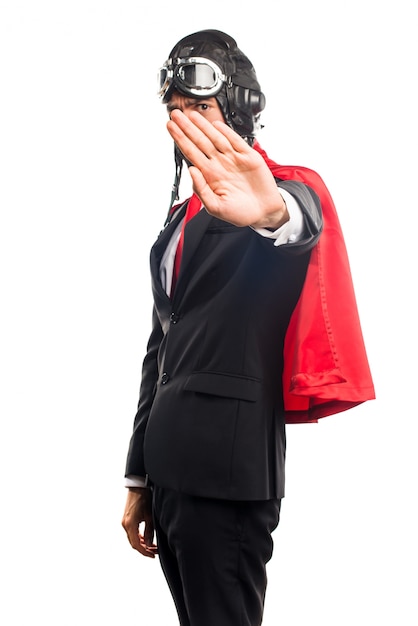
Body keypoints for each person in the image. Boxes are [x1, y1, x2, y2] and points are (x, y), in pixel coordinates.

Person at [121, 30, 375, 626]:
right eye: (177, 113)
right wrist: (139, 474)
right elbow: (161, 350)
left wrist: (272, 215)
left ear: (239, 109)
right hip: (168, 472)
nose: (187, 126)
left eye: (201, 109)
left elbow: (297, 224)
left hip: (229, 476)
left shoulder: (284, 189)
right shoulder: (178, 221)